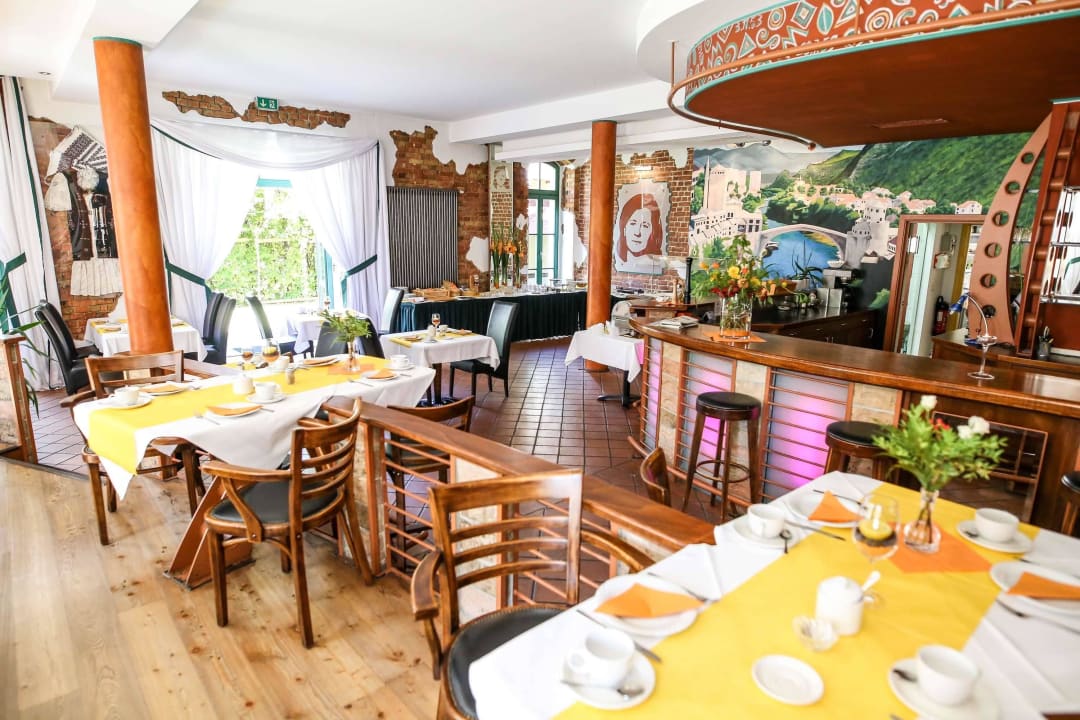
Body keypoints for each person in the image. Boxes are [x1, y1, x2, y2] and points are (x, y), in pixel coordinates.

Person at [616, 193, 664, 266]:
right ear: (624, 227)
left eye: (645, 226)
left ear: (652, 231)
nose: (637, 232)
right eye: (633, 223)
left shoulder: (656, 262)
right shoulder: (620, 258)